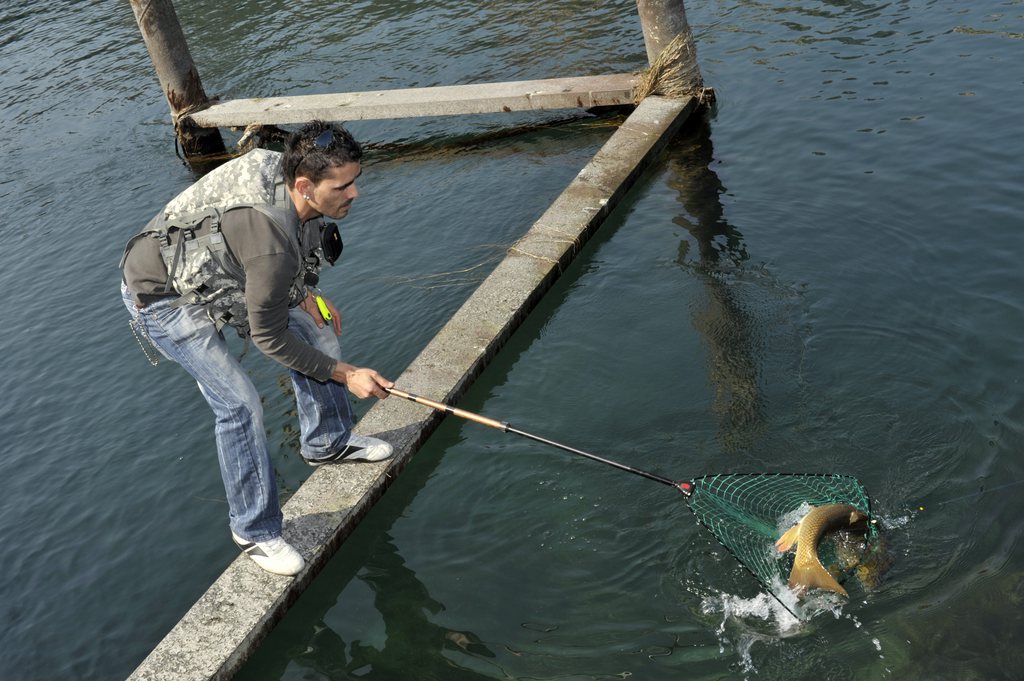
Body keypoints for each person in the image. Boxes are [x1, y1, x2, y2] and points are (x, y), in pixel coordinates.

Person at [120, 120, 394, 576]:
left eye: (355, 181)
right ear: (304, 185)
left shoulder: (285, 174)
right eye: (344, 186)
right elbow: (269, 336)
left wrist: (306, 293)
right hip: (162, 296)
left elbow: (284, 252)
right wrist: (347, 374)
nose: (354, 194)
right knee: (240, 404)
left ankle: (327, 442)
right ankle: (254, 530)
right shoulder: (269, 248)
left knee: (319, 328)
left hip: (227, 273)